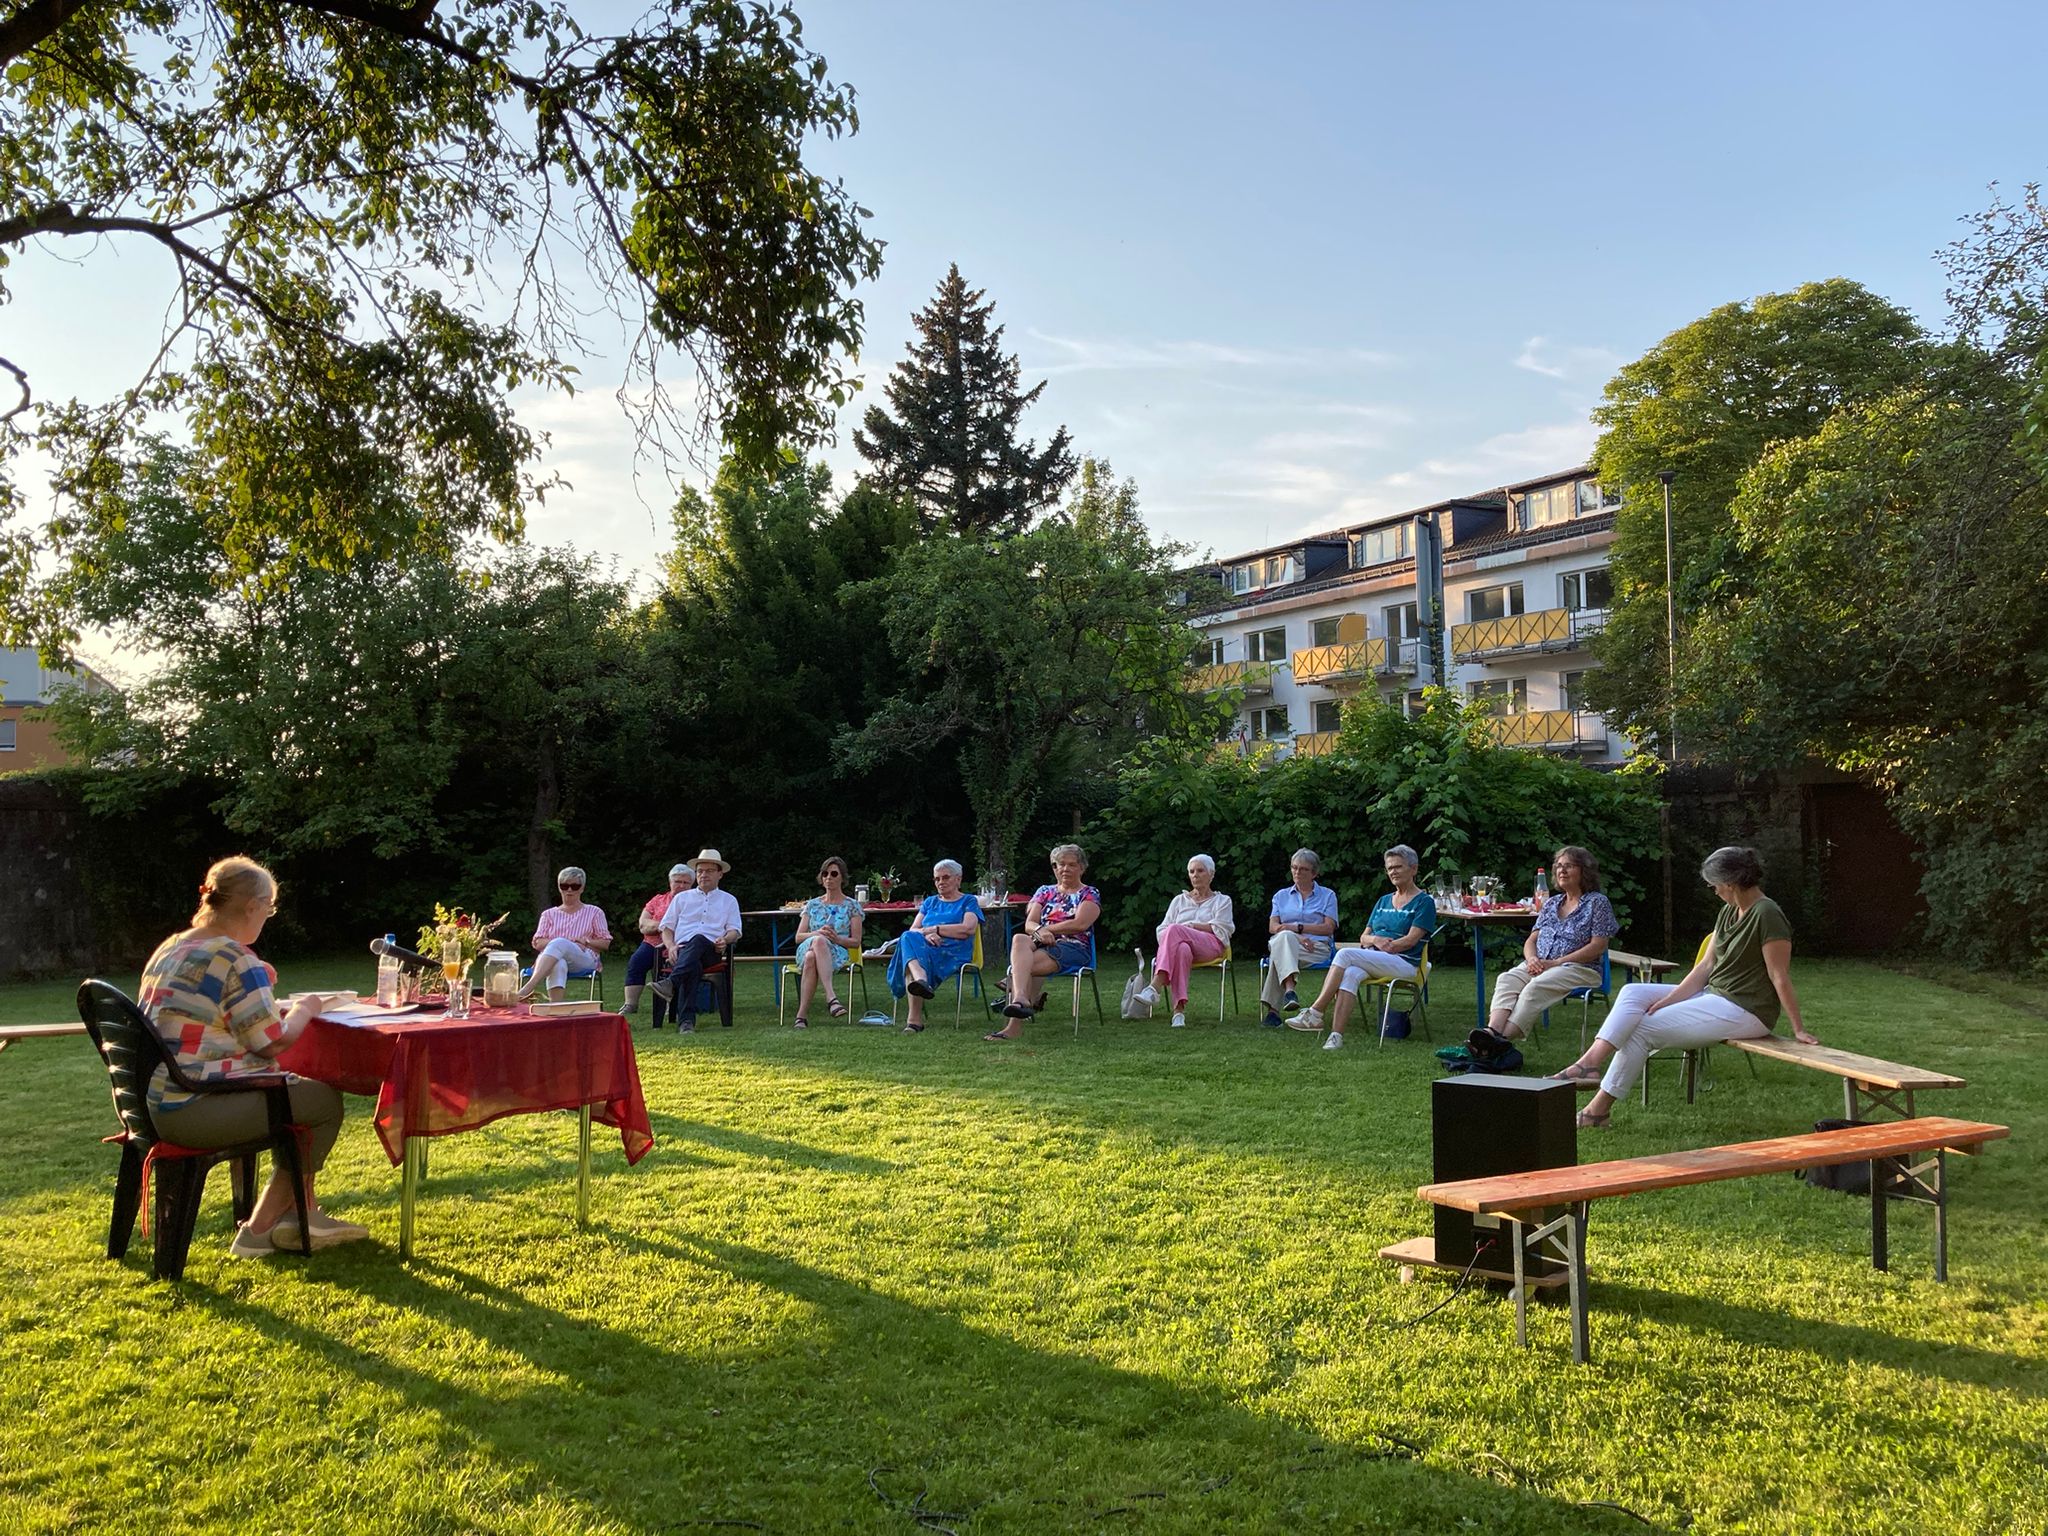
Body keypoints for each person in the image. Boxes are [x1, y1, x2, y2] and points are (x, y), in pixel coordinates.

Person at [136, 856, 366, 1257]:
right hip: (196, 1108)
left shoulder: (172, 947)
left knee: (293, 1095)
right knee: (323, 1101)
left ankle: (300, 1216)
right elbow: (273, 1043)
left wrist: (257, 989)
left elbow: (213, 1019)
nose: (269, 916)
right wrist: (308, 1008)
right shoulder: (235, 958)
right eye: (270, 907)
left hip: (154, 1101)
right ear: (252, 906)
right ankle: (258, 1230)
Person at [1552, 846, 1817, 1129]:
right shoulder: (1728, 911)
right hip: (1715, 996)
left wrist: (1798, 1028)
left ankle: (1597, 1112)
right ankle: (1590, 1063)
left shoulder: (1768, 914)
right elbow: (1704, 968)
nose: (1713, 890)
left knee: (1642, 1029)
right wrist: (1669, 1000)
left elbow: (1779, 975)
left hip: (1747, 1010)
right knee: (1632, 993)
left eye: (1714, 884)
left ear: (1730, 882)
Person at [1466, 846, 1619, 1062]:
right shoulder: (1552, 903)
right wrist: (1532, 959)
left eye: (1569, 866)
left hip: (1581, 969)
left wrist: (1556, 963)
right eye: (1558, 866)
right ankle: (1491, 1033)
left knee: (1535, 987)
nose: (1561, 870)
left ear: (1585, 871)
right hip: (1540, 965)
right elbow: (1532, 940)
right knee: (1507, 979)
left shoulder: (1597, 903)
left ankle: (1497, 1043)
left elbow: (1598, 946)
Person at [1291, 844, 1437, 1051]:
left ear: (1413, 869)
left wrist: (1385, 945)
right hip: (1375, 956)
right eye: (1389, 868)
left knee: (1345, 954)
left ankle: (1315, 1012)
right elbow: (1364, 936)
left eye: (1398, 867)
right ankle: (1336, 1036)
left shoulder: (1424, 902)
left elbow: (1411, 940)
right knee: (1350, 973)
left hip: (1406, 963)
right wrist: (1376, 941)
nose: (1393, 872)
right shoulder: (1383, 901)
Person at [986, 843, 1101, 1042]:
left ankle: (1014, 1024)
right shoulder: (1045, 891)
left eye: (1071, 864)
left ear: (1082, 867)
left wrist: (1047, 929)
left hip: (1073, 946)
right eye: (1060, 865)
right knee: (1020, 938)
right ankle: (1021, 998)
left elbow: (1080, 924)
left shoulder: (1089, 893)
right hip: (1039, 942)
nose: (1065, 869)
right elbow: (1030, 923)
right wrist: (1039, 930)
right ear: (1054, 868)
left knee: (1023, 966)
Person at [1132, 854, 1236, 1029]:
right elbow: (1161, 930)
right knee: (1181, 949)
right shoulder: (1179, 901)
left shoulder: (1222, 900)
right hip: (1182, 947)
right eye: (1192, 871)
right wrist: (1181, 932)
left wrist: (1192, 927)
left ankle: (1155, 986)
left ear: (1211, 874)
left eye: (1200, 871)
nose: (1195, 875)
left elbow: (1223, 928)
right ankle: (1178, 1013)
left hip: (1211, 947)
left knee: (1175, 929)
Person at [652, 848, 744, 1031]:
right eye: (700, 871)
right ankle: (686, 1023)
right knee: (692, 966)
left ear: (720, 874)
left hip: (712, 950)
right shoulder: (681, 899)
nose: (703, 875)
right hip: (682, 951)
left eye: (709, 871)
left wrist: (725, 940)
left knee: (700, 938)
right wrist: (670, 947)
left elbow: (735, 930)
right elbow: (666, 928)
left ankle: (671, 983)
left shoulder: (729, 900)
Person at [890, 859, 985, 1032]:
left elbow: (968, 929)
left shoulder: (968, 901)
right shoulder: (930, 902)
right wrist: (927, 935)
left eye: (945, 877)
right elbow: (914, 929)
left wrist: (936, 929)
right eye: (937, 879)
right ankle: (921, 980)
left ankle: (914, 1019)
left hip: (953, 951)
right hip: (926, 948)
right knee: (907, 938)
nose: (940, 882)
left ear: (958, 879)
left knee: (912, 959)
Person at [1260, 848, 1338, 1027]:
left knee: (1278, 954)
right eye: (1294, 867)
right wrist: (1298, 937)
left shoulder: (1328, 896)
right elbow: (1273, 927)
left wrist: (1297, 928)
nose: (1297, 872)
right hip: (1291, 943)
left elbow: (1328, 928)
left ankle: (1273, 1013)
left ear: (1314, 873)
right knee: (1284, 939)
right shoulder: (1281, 896)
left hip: (1315, 948)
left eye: (1303, 869)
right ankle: (1289, 991)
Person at [790, 856, 865, 1028]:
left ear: (842, 878)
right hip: (808, 945)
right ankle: (831, 997)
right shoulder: (812, 905)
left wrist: (836, 938)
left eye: (833, 874)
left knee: (811, 957)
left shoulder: (852, 906)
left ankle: (801, 1016)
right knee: (817, 941)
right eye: (825, 874)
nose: (828, 877)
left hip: (836, 952)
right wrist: (817, 933)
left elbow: (856, 941)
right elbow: (798, 937)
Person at [519, 866, 613, 1001]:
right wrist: (569, 942)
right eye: (565, 886)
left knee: (559, 943)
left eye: (574, 886)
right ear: (559, 887)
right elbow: (538, 942)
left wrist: (585, 942)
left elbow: (605, 943)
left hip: (585, 958)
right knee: (558, 961)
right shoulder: (548, 914)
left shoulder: (595, 912)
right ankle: (556, 1007)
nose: (569, 890)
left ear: (582, 888)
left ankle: (528, 988)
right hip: (553, 959)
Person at [622, 863, 691, 1022]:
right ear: (670, 882)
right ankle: (630, 1004)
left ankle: (672, 1006)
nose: (681, 885)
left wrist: (662, 926)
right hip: (652, 943)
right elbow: (643, 925)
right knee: (636, 961)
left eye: (685, 883)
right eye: (677, 882)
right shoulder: (658, 900)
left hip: (679, 944)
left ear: (691, 884)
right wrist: (664, 926)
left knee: (678, 963)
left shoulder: (693, 901)